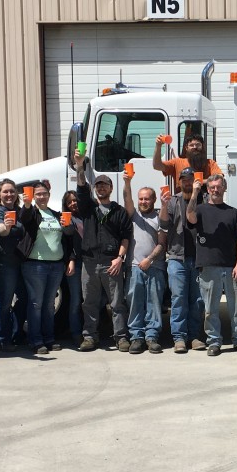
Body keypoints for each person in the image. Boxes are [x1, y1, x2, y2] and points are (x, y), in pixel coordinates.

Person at [73, 151, 132, 352]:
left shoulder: (119, 211)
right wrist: (80, 166)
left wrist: (119, 258)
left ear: (111, 188)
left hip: (111, 263)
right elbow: (81, 187)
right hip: (89, 263)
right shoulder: (88, 208)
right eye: (98, 185)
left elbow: (126, 237)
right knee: (89, 303)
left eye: (104, 185)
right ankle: (90, 337)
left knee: (117, 304)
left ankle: (121, 337)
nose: (101, 188)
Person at [187, 174, 237, 355]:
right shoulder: (200, 209)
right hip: (208, 267)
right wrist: (194, 192)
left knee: (236, 308)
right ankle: (214, 342)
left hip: (231, 267)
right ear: (208, 189)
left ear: (224, 188)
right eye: (212, 187)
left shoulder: (233, 212)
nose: (215, 189)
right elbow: (190, 217)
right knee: (210, 309)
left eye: (219, 186)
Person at [19, 181, 73, 355]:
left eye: (44, 194)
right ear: (33, 196)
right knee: (36, 304)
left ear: (49, 195)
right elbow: (24, 217)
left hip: (56, 265)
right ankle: (35, 340)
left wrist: (68, 228)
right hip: (35, 265)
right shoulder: (32, 213)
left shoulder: (56, 215)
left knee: (49, 305)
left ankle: (49, 338)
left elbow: (67, 237)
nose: (42, 197)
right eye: (38, 194)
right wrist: (27, 204)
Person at [120, 174, 167, 354]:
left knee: (154, 303)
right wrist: (127, 182)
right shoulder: (133, 215)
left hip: (155, 267)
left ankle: (152, 337)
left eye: (147, 199)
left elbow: (163, 243)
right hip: (133, 267)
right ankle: (136, 338)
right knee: (134, 303)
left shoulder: (159, 218)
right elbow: (126, 198)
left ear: (153, 200)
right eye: (141, 198)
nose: (143, 201)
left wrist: (150, 259)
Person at [160, 168, 205, 352]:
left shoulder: (205, 199)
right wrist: (163, 205)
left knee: (198, 300)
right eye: (184, 180)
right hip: (177, 257)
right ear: (179, 182)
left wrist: (196, 192)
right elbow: (163, 224)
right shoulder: (172, 201)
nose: (187, 183)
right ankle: (179, 338)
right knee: (178, 298)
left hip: (200, 258)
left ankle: (194, 336)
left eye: (190, 180)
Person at [0, 179, 27, 351]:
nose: (9, 194)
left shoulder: (19, 211)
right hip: (4, 263)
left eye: (12, 191)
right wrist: (7, 227)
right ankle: (2, 339)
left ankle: (16, 334)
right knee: (3, 301)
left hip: (21, 263)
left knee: (25, 298)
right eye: (5, 191)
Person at [60, 190, 85, 345]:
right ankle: (76, 333)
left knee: (93, 299)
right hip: (74, 263)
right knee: (75, 300)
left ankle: (90, 330)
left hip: (90, 262)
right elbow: (67, 241)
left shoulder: (87, 215)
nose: (73, 203)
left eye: (75, 200)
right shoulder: (66, 219)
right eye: (69, 202)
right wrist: (71, 259)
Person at [153, 134, 222, 187]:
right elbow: (157, 166)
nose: (195, 147)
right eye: (191, 145)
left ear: (202, 146)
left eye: (198, 144)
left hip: (204, 201)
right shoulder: (177, 162)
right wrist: (158, 146)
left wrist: (200, 182)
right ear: (186, 148)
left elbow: (220, 178)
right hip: (183, 201)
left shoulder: (210, 163)